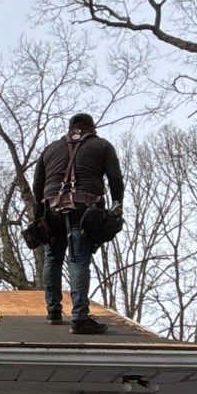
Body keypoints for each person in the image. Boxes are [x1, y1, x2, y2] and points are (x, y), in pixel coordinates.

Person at [30, 112, 123, 333]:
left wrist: (41, 209)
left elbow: (37, 185)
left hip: (50, 207)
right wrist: (118, 204)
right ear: (92, 128)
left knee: (52, 257)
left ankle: (53, 311)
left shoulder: (50, 149)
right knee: (78, 258)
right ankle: (80, 318)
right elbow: (115, 179)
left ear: (71, 128)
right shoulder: (102, 145)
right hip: (83, 208)